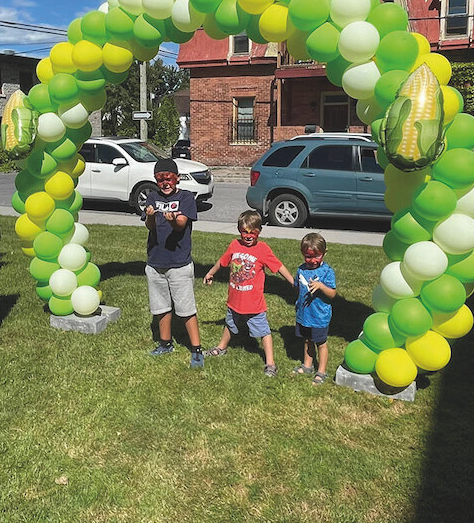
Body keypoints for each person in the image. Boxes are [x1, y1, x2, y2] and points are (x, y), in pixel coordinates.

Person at [203, 210, 294, 376]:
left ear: (259, 231)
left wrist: (293, 282)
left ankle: (270, 363)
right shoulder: (234, 245)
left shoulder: (263, 249)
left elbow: (279, 266)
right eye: (245, 231)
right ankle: (221, 348)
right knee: (230, 324)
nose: (248, 235)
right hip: (235, 300)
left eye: (253, 232)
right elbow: (222, 261)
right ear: (239, 230)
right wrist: (210, 273)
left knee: (263, 332)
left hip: (254, 304)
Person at [143, 158, 204, 368]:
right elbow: (150, 226)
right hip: (155, 261)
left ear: (176, 178)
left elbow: (181, 224)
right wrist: (151, 216)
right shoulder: (152, 196)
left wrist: (171, 219)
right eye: (160, 179)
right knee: (161, 307)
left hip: (179, 263)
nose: (164, 183)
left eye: (168, 178)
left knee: (186, 308)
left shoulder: (186, 198)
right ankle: (165, 343)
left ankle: (196, 349)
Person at [292, 233, 337, 385]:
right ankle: (307, 365)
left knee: (321, 343)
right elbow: (297, 288)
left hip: (320, 316)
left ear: (324, 253)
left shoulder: (327, 272)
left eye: (316, 256)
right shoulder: (301, 270)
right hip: (304, 314)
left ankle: (322, 371)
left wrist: (321, 286)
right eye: (307, 257)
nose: (312, 261)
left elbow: (332, 294)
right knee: (307, 340)